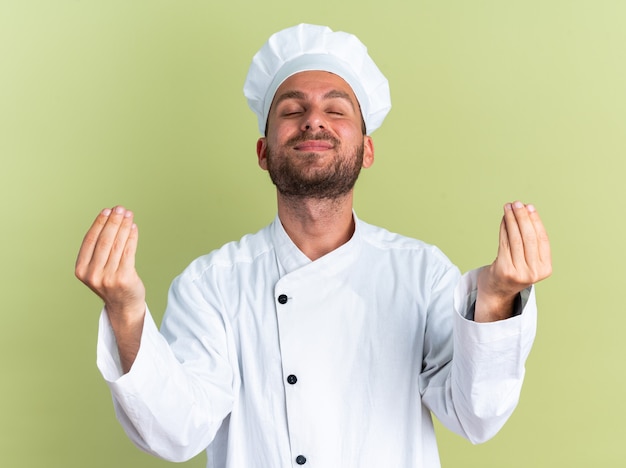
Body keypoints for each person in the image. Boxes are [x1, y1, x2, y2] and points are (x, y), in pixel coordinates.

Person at [75, 24, 551, 468]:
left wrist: (492, 303)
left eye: (336, 109)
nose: (313, 122)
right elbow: (177, 432)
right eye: (292, 110)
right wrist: (126, 313)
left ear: (366, 149)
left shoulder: (421, 272)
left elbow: (475, 417)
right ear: (264, 152)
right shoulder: (211, 283)